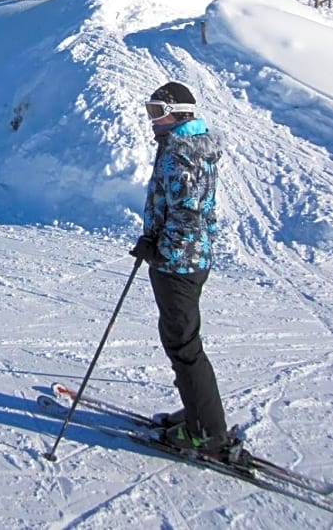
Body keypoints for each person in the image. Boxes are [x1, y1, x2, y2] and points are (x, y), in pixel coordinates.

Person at [131, 81, 232, 457]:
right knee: (182, 340)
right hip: (192, 260)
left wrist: (160, 252)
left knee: (183, 345)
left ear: (180, 114)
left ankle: (207, 431)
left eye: (158, 112)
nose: (152, 120)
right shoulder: (192, 148)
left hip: (178, 264)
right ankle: (197, 413)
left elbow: (187, 217)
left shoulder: (180, 155)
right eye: (149, 111)